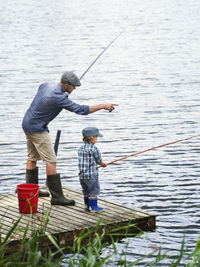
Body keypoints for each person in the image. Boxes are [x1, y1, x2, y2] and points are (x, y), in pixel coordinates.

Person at [22, 71, 117, 206]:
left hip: (27, 123)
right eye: (73, 86)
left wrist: (62, 95)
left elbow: (43, 90)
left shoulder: (48, 85)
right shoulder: (59, 98)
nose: (75, 88)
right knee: (51, 161)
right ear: (66, 84)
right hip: (38, 129)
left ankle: (32, 191)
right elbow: (81, 110)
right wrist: (103, 106)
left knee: (32, 158)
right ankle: (57, 197)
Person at [78, 126, 107, 211]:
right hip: (91, 175)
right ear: (92, 138)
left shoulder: (81, 148)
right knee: (94, 191)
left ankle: (87, 206)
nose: (97, 139)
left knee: (86, 191)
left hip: (82, 175)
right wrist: (103, 164)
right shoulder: (94, 149)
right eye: (96, 137)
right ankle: (94, 207)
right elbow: (99, 160)